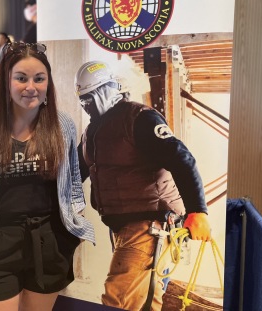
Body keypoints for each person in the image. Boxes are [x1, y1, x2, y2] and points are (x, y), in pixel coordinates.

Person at [0, 41, 95, 311]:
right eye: (21, 78)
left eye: (39, 79)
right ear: (6, 81)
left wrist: (75, 226)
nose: (31, 87)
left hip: (50, 239)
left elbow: (73, 182)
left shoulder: (62, 125)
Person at [74, 61, 211, 311]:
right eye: (83, 101)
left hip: (151, 225)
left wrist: (198, 211)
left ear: (110, 89)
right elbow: (74, 173)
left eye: (92, 98)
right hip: (123, 227)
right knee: (146, 300)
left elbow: (182, 159)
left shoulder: (139, 118)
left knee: (119, 301)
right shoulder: (92, 132)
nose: (88, 106)